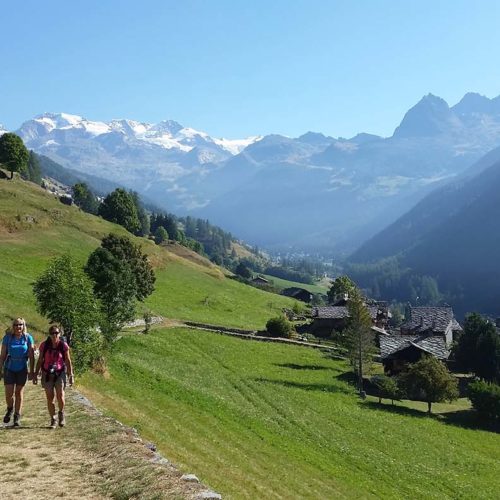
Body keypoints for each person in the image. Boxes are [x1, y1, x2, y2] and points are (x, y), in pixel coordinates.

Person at [34, 325, 74, 428]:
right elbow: (40, 360)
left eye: (56, 333)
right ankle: (53, 419)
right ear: (49, 334)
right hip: (47, 373)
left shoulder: (63, 345)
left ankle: (61, 413)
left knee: (60, 395)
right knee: (50, 397)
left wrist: (71, 375)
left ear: (59, 334)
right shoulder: (44, 345)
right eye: (52, 333)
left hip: (60, 373)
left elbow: (68, 361)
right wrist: (35, 374)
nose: (54, 335)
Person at [0, 317, 35, 427]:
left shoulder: (28, 338)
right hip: (9, 367)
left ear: (23, 326)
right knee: (9, 393)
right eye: (16, 325)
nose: (18, 327)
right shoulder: (7, 338)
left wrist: (31, 371)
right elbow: (2, 356)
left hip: (22, 368)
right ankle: (10, 409)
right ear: (13, 326)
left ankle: (17, 416)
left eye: (20, 325)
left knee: (19, 393)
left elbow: (32, 356)